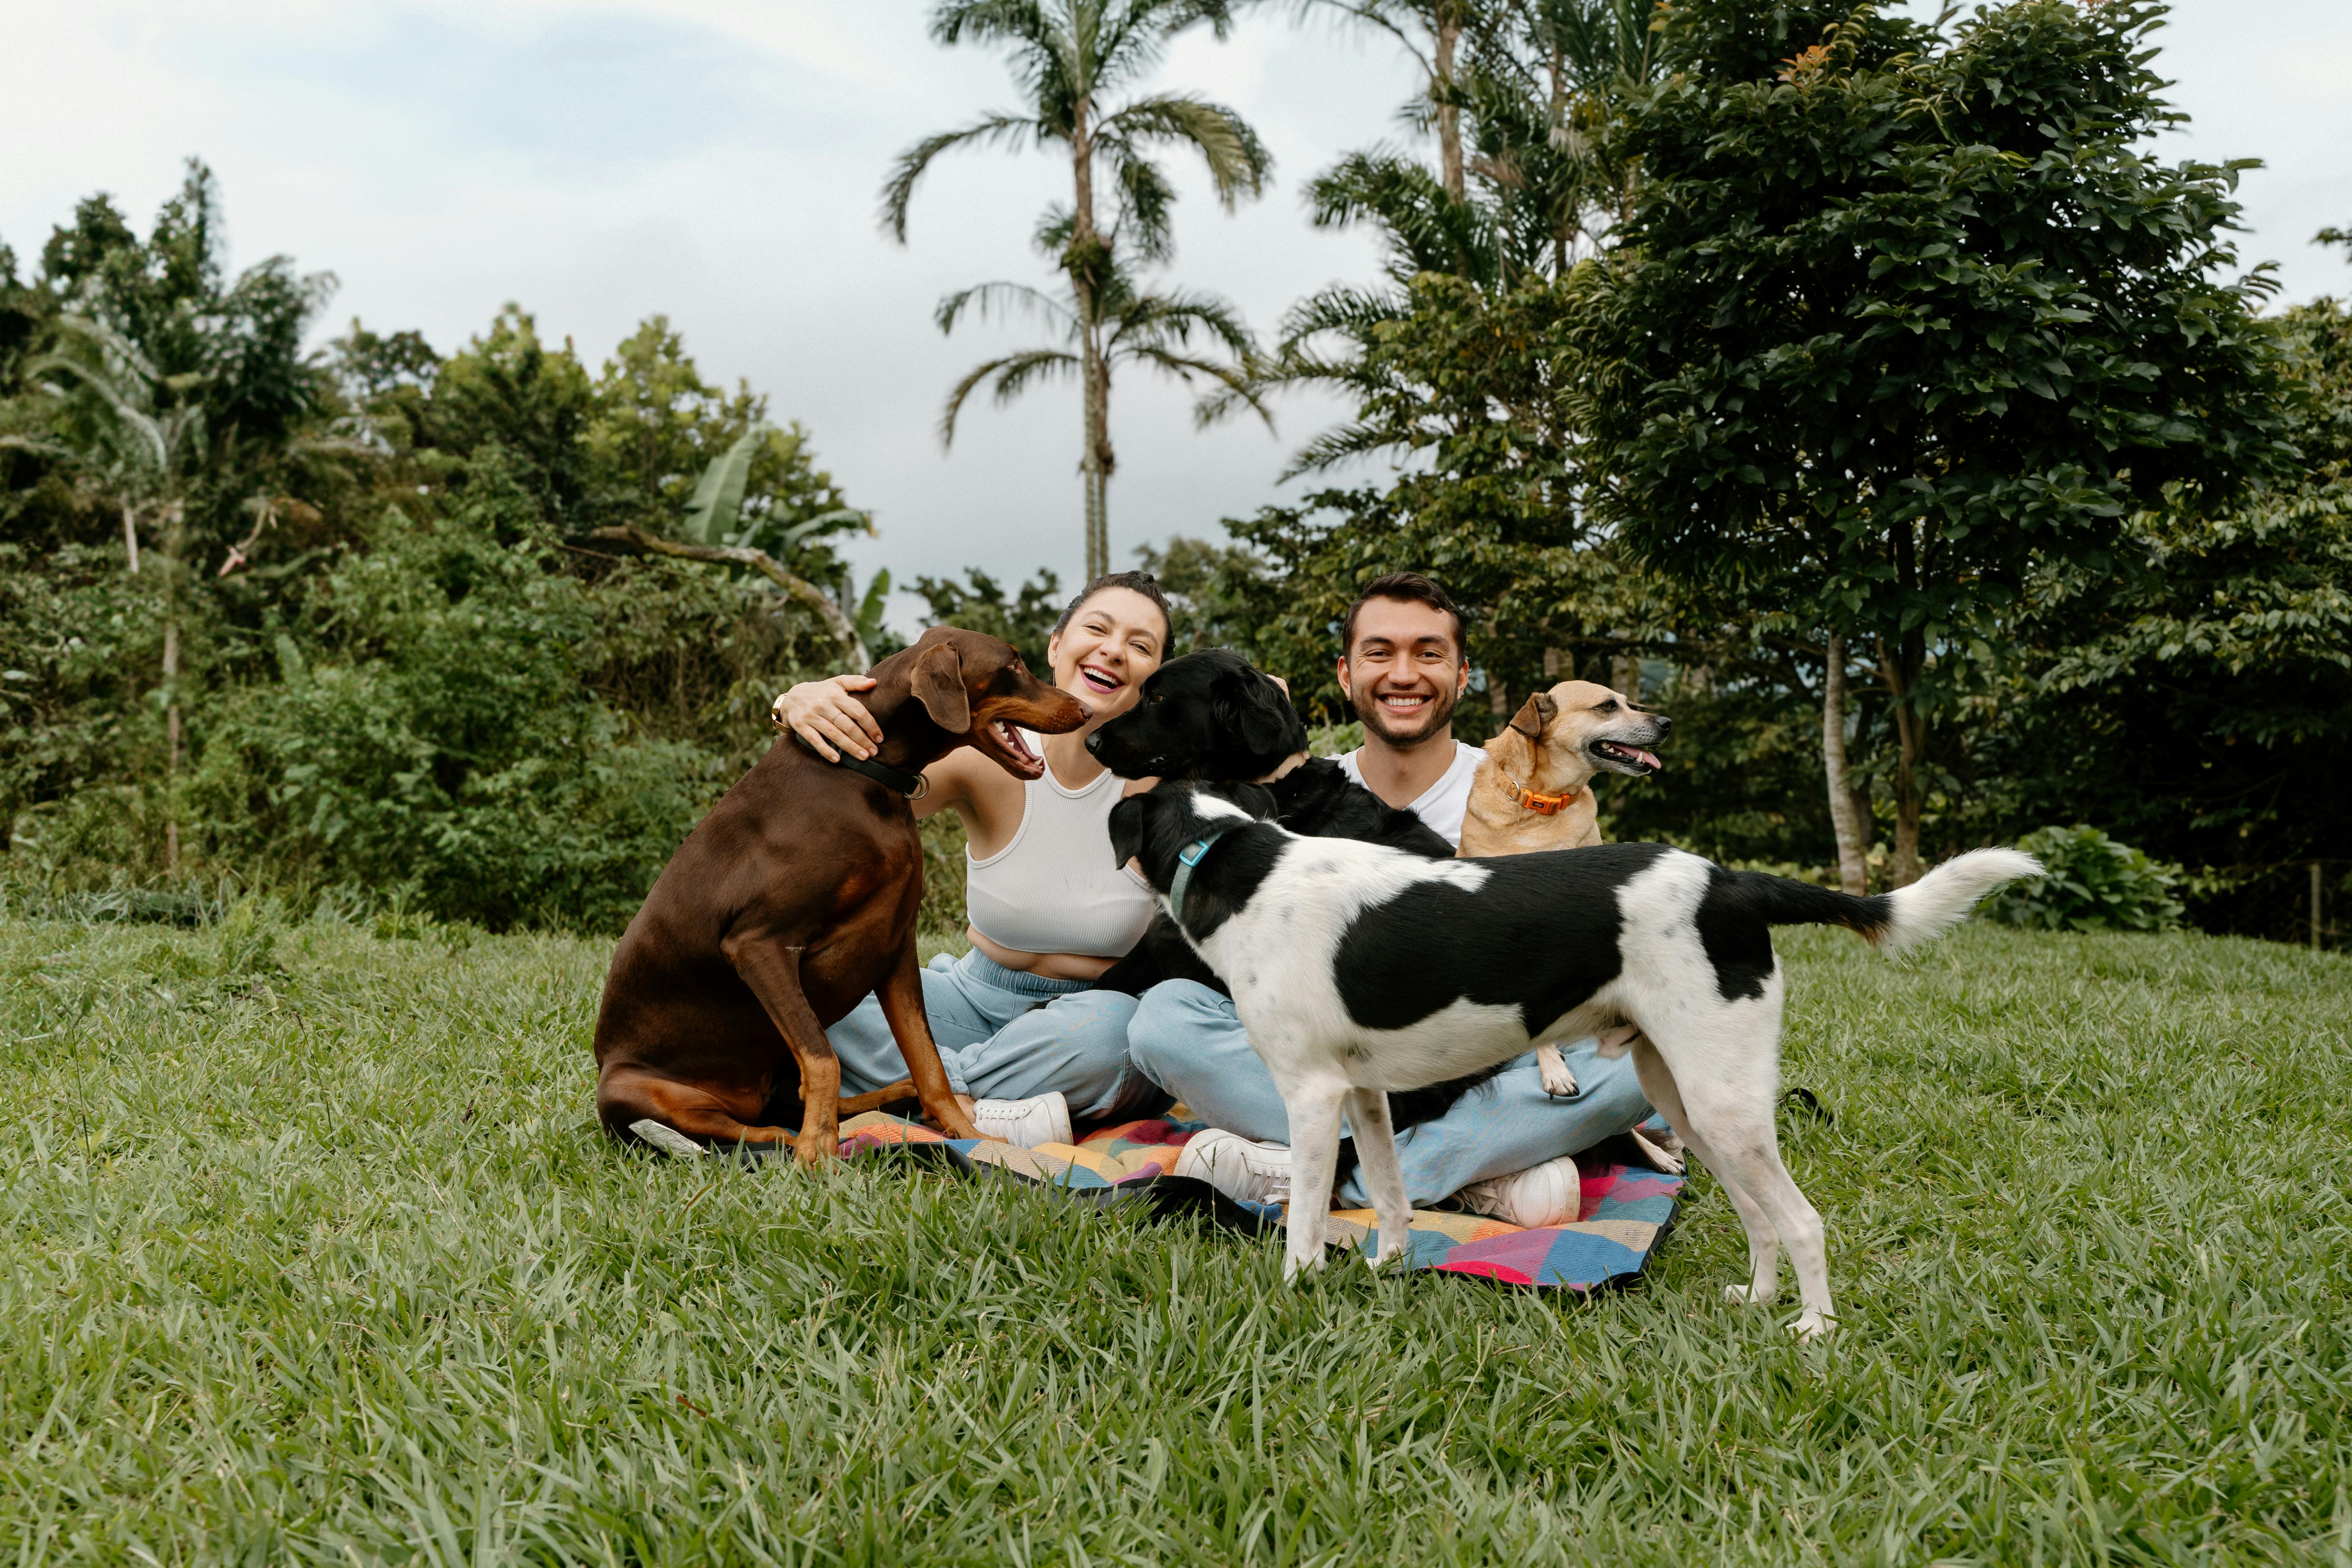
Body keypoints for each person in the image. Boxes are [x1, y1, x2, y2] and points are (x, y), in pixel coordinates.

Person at [1126, 572, 1656, 1226]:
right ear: (1345, 675)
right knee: (1164, 1018)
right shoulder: (1295, 794)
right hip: (1339, 1047)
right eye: (1379, 653)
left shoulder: (1522, 790)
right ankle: (1473, 1169)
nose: (1403, 673)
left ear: (1463, 677)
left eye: (1429, 653)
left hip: (1483, 1044)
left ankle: (1331, 1173)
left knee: (1633, 1067)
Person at [770, 572, 1172, 1148]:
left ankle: (923, 1094)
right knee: (808, 976)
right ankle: (974, 1105)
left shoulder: (1173, 787)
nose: (1113, 650)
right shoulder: (986, 752)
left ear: (1156, 677)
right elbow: (844, 783)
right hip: (965, 1002)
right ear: (1056, 646)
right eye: (1098, 629)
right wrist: (795, 702)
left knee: (1122, 1041)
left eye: (1140, 646)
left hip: (1082, 1028)